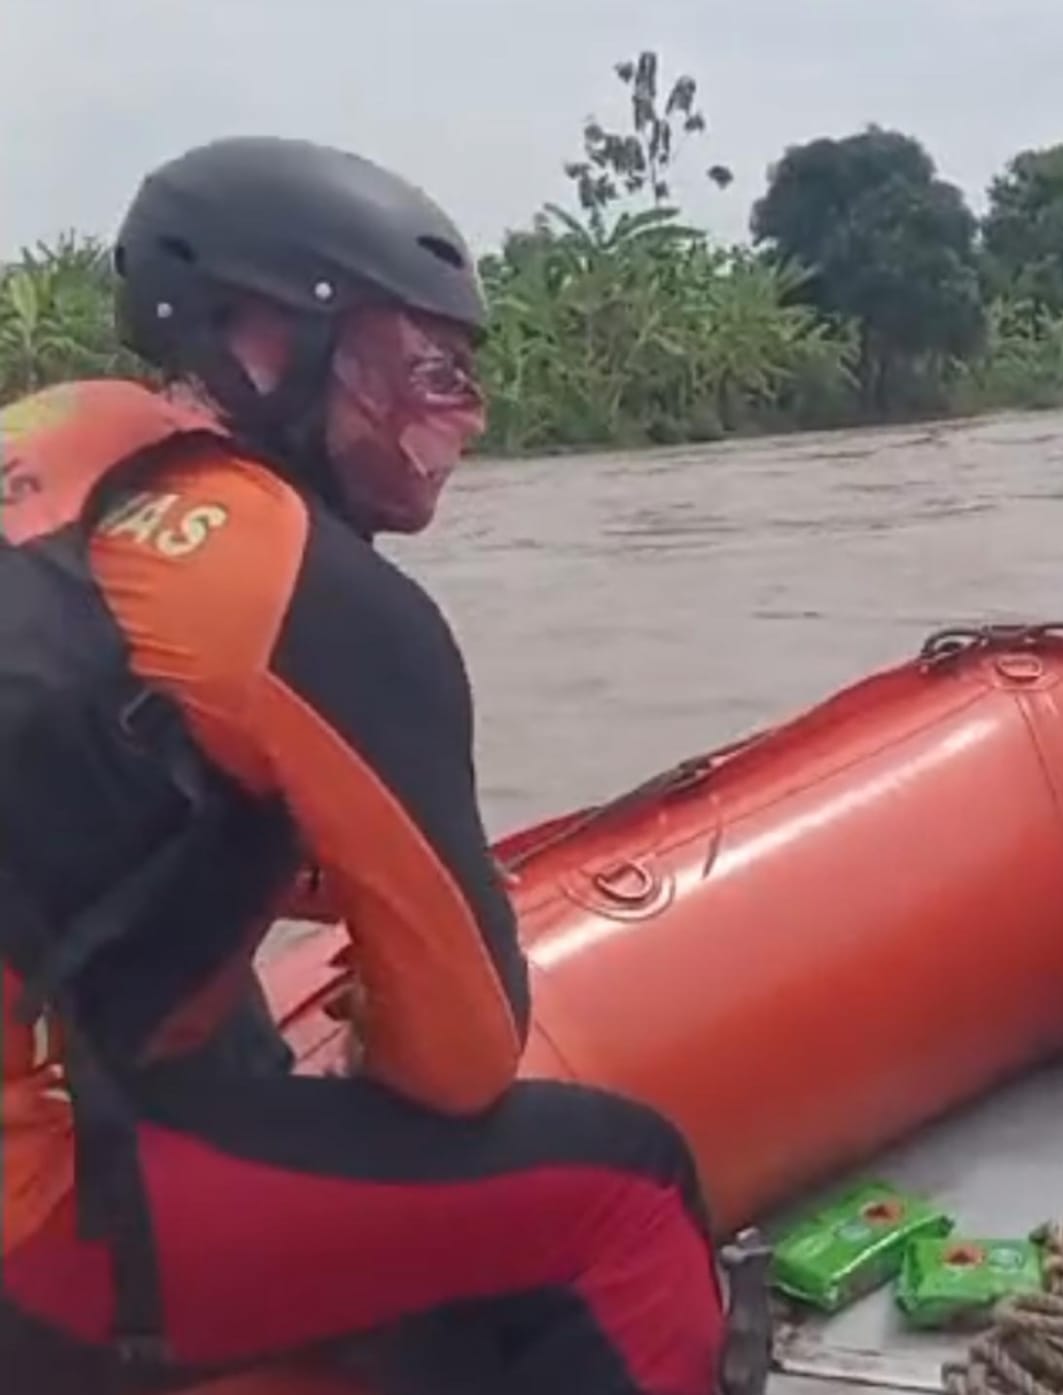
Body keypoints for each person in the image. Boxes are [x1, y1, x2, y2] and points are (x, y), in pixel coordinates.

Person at [0, 135, 725, 1394]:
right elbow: (456, 1063)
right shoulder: (316, 594)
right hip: (26, 1226)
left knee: (220, 1031)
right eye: (413, 367)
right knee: (624, 1190)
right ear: (271, 343)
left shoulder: (54, 454)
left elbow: (66, 789)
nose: (444, 419)